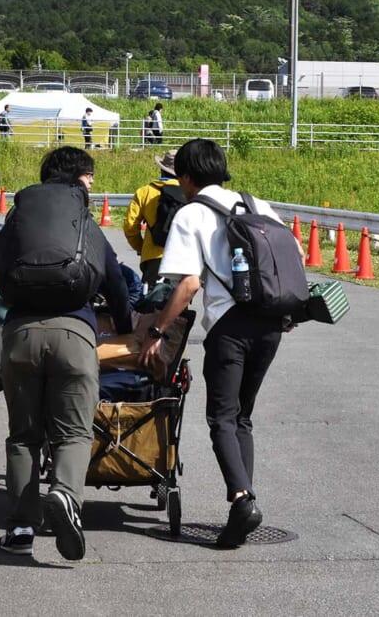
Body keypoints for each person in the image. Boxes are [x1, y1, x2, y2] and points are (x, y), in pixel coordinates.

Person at [137, 138, 295, 549]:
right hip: (272, 323)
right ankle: (242, 499)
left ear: (186, 177)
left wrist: (157, 332)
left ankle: (243, 500)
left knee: (222, 418)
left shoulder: (192, 214)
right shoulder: (256, 204)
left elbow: (187, 283)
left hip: (230, 326)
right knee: (243, 416)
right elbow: (293, 252)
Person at [0, 146, 133, 560]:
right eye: (90, 179)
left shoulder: (18, 217)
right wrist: (125, 327)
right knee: (73, 431)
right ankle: (65, 495)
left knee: (24, 436)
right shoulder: (85, 223)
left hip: (20, 335)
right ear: (77, 179)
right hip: (75, 336)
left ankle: (21, 527)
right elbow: (115, 281)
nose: (92, 186)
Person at [123, 149, 181, 286]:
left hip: (153, 258)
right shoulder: (188, 192)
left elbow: (130, 227)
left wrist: (141, 247)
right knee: (177, 303)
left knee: (152, 301)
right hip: (182, 258)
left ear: (162, 169)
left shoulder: (145, 192)